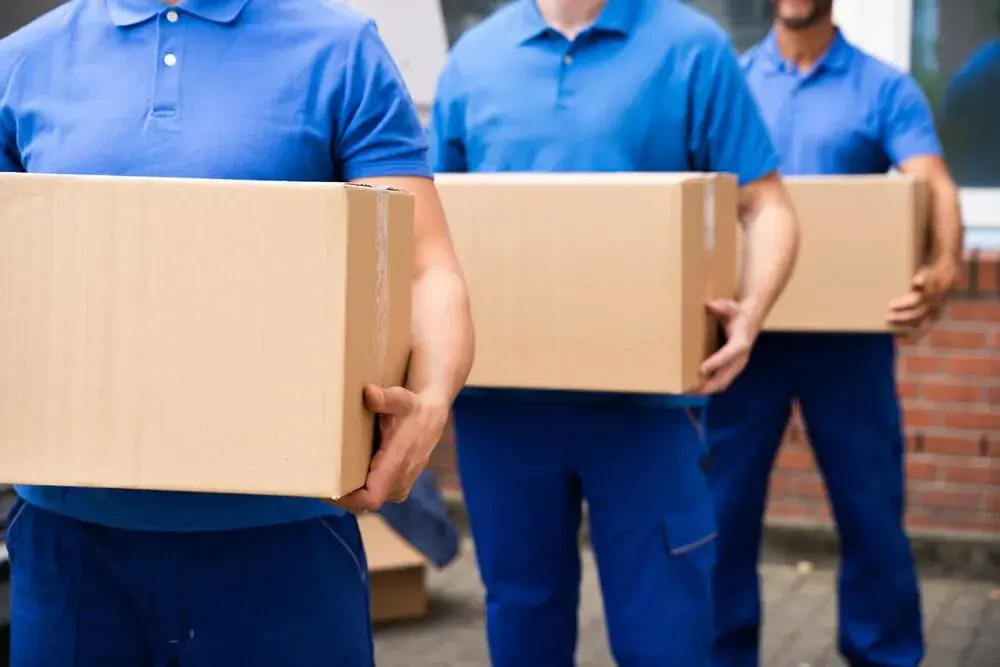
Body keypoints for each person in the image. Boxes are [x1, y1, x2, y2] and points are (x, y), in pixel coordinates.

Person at [0, 0, 474, 665]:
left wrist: (428, 405)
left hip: (284, 532)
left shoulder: (339, 50)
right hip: (72, 542)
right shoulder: (22, 61)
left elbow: (426, 268)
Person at [429, 0, 800, 664]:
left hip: (648, 410)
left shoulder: (693, 48)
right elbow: (426, 233)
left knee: (667, 634)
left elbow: (766, 204)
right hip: (501, 408)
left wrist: (752, 309)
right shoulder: (473, 60)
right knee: (522, 621)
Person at [708, 2, 963, 666]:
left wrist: (943, 263)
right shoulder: (732, 80)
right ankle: (721, 654)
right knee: (722, 514)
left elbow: (932, 182)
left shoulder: (883, 87)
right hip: (744, 340)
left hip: (849, 346)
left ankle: (884, 653)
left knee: (871, 510)